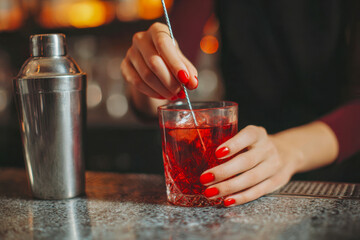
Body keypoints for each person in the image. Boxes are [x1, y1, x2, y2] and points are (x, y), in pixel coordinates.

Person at [120, 0, 360, 207]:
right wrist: (148, 74)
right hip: (239, 177)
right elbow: (164, 96)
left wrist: (287, 151)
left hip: (341, 182)